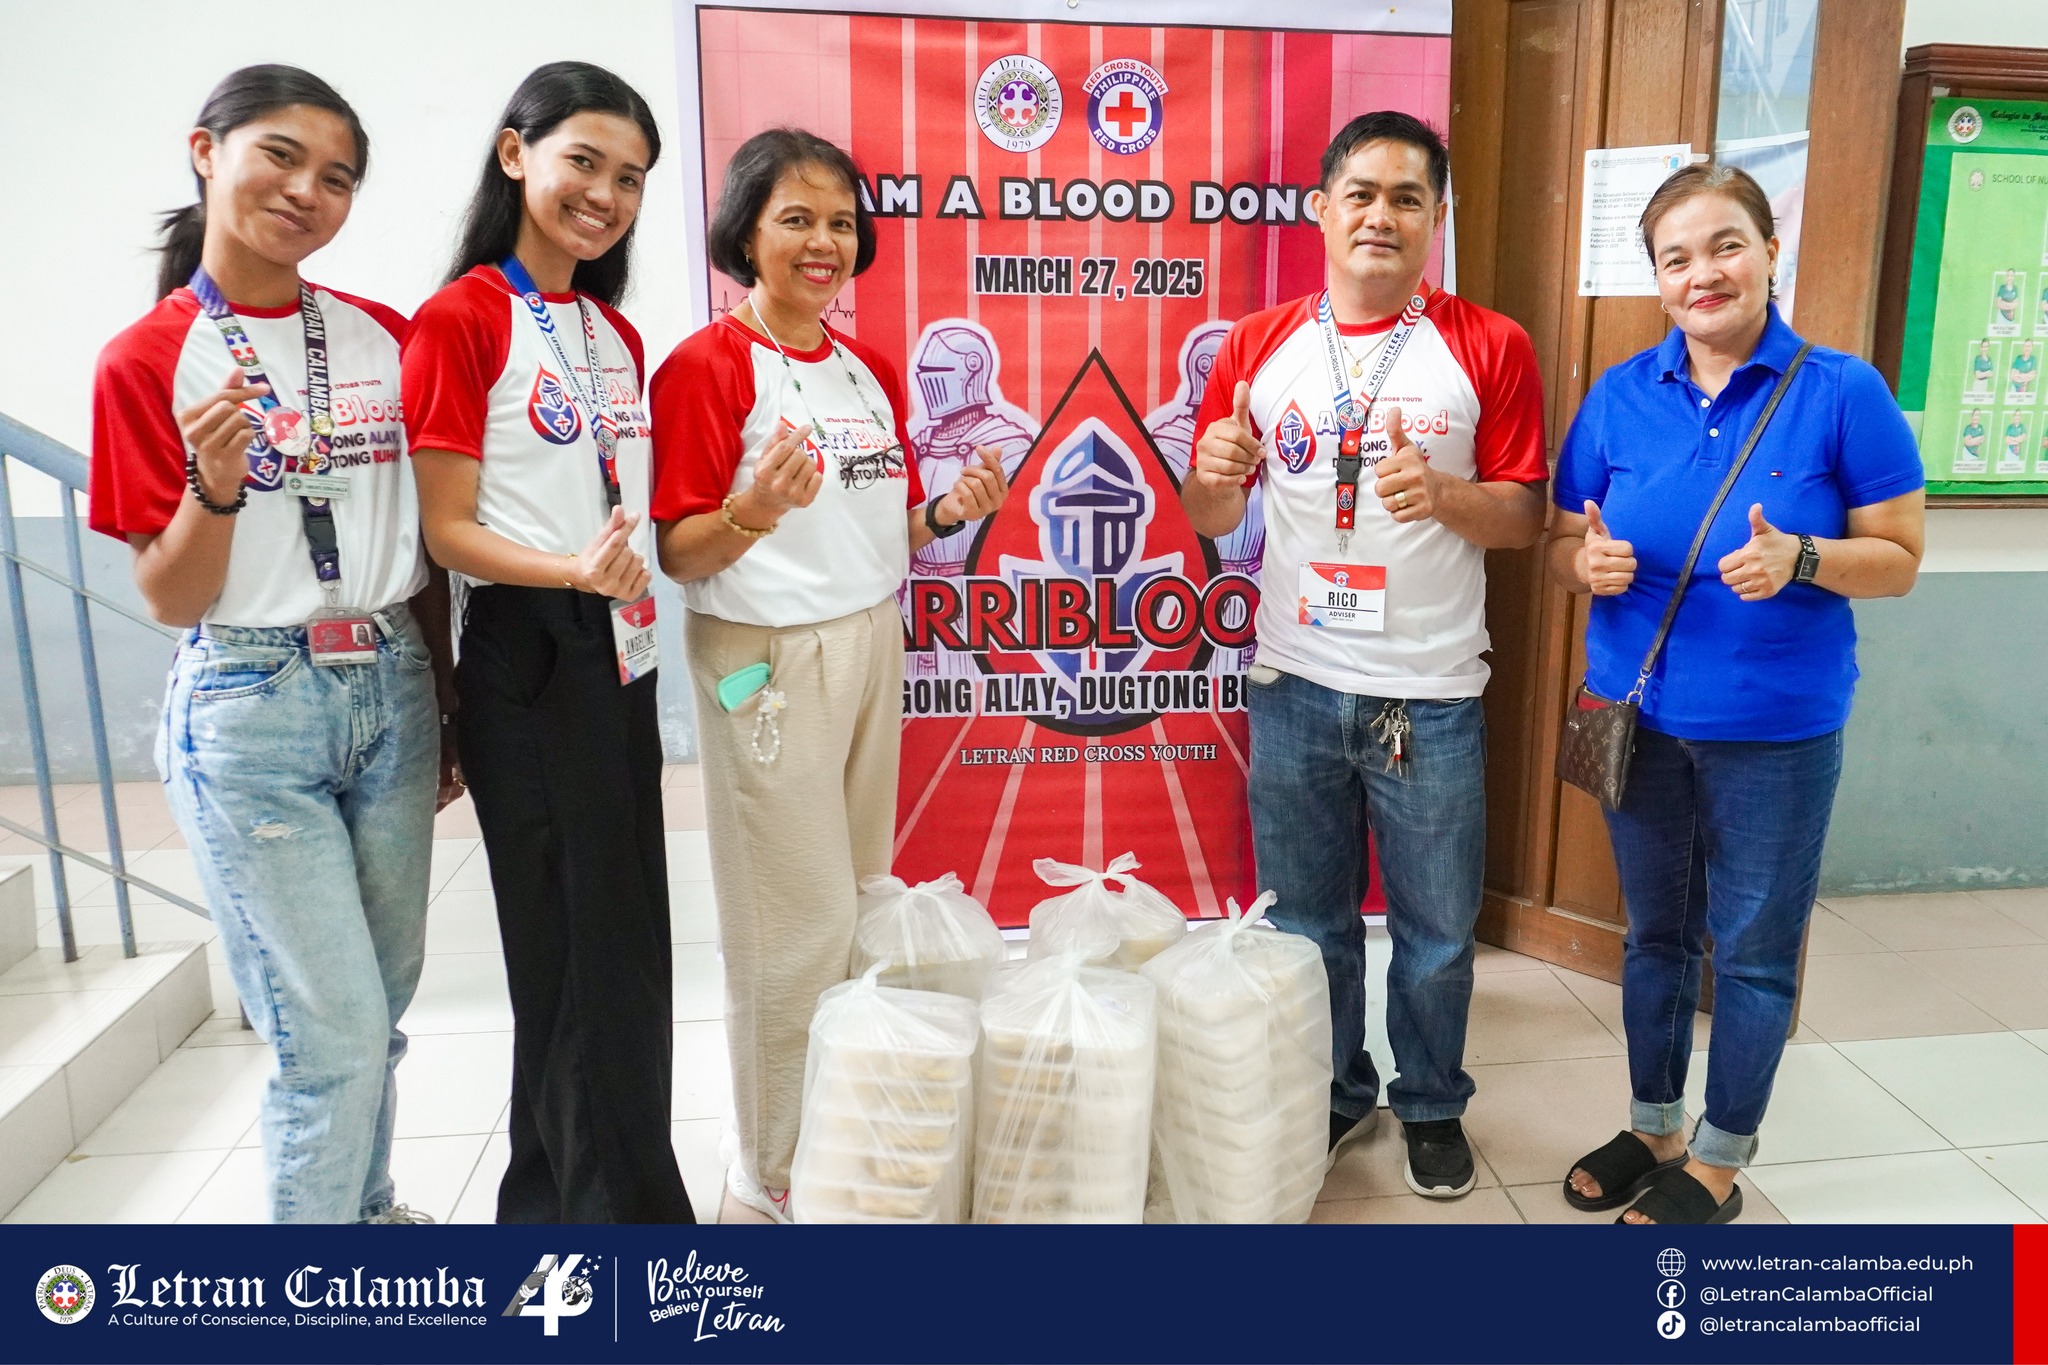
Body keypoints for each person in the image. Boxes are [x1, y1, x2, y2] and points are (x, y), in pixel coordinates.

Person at [89, 65, 458, 1223]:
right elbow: (169, 594)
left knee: (376, 1006)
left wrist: (443, 706)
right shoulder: (147, 360)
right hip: (253, 700)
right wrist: (215, 486)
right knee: (326, 1028)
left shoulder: (382, 338)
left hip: (392, 681)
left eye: (336, 178)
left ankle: (367, 1215)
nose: (307, 191)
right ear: (206, 151)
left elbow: (427, 540)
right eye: (281, 157)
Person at [1179, 111, 1549, 1200]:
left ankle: (1430, 1101)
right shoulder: (1257, 344)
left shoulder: (1489, 344)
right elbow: (1209, 513)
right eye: (1360, 193)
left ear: (1436, 216)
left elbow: (1524, 519)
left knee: (1435, 930)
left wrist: (1442, 495)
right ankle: (1336, 1090)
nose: (1380, 215)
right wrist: (1211, 472)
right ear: (1321, 209)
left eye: (1406, 197)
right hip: (1292, 682)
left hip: (1426, 693)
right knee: (1308, 925)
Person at [1550, 162, 1924, 1225]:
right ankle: (1653, 1126)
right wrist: (1584, 566)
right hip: (1637, 721)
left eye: (1724, 245)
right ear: (1656, 278)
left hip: (1775, 731)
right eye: (1675, 257)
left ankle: (1717, 1159)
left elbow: (1899, 558)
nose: (1702, 273)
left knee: (1752, 953)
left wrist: (1802, 557)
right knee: (1653, 938)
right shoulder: (1621, 393)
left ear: (1769, 252)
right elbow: (1561, 538)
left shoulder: (1840, 391)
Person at [649, 128, 1009, 1221]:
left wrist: (943, 512)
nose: (823, 242)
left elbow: (872, 527)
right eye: (795, 219)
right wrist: (753, 510)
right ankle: (772, 1160)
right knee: (785, 918)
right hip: (764, 657)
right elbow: (681, 552)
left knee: (852, 895)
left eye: (841, 222)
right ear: (744, 232)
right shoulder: (709, 366)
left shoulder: (865, 368)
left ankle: (834, 1114)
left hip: (866, 637)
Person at [402, 62, 693, 1224]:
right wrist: (571, 569)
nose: (606, 195)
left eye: (630, 177)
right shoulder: (462, 318)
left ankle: (591, 1207)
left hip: (617, 647)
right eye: (584, 161)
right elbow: (446, 527)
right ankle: (590, 1237)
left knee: (628, 947)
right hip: (530, 648)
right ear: (515, 153)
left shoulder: (612, 332)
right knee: (570, 960)